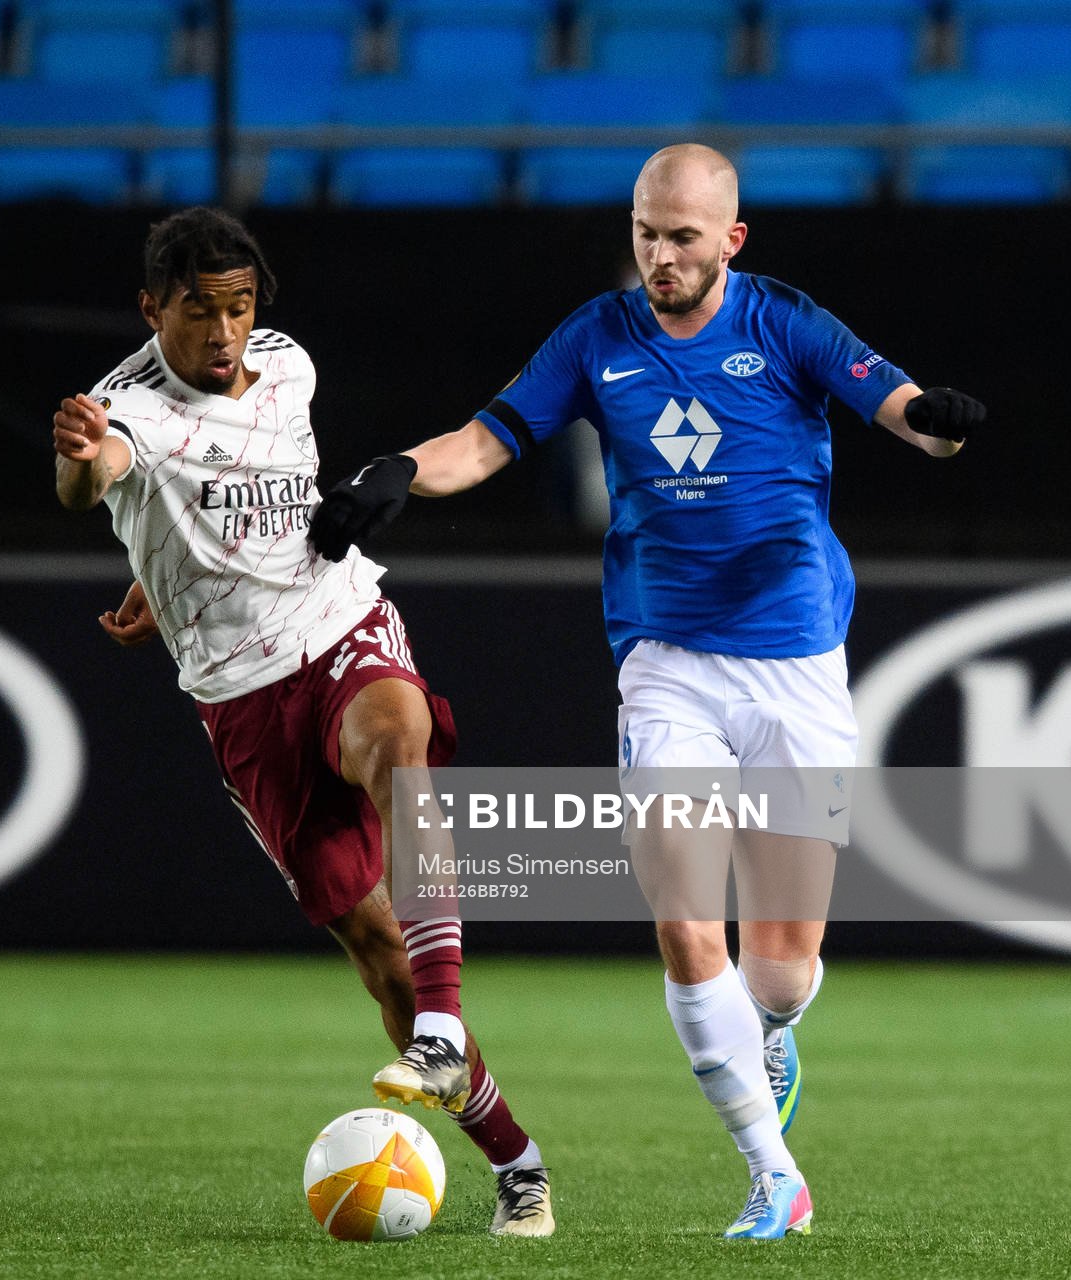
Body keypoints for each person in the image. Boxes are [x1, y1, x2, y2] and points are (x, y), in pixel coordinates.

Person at [309, 144, 985, 1241]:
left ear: (731, 239)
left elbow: (905, 408)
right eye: (645, 233)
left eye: (682, 237)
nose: (660, 256)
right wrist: (399, 469)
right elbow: (486, 440)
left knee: (782, 963)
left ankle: (772, 1025)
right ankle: (776, 1175)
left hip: (796, 662)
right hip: (665, 661)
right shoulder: (596, 338)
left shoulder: (786, 322)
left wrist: (942, 420)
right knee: (683, 924)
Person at [52, 207, 554, 1238]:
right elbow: (92, 482)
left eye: (239, 306)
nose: (225, 331)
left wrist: (165, 561)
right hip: (243, 698)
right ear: (153, 310)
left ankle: (445, 1023)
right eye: (200, 311)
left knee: (397, 739)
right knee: (379, 954)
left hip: (340, 622)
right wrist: (97, 489)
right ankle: (520, 1162)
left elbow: (253, 497)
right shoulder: (123, 411)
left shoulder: (289, 365)